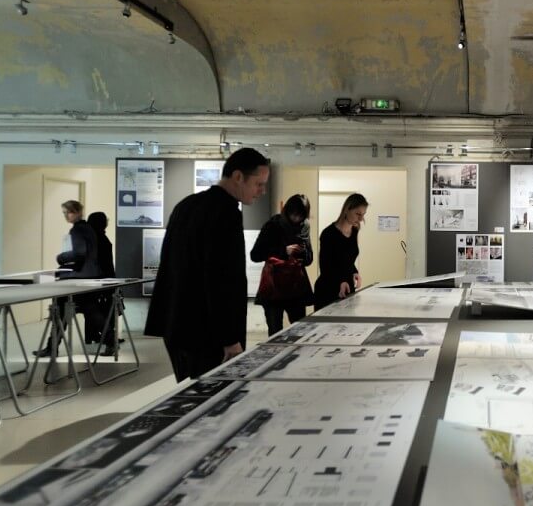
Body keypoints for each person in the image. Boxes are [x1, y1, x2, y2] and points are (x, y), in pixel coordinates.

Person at [145, 148, 270, 381]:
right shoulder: (226, 213)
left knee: (190, 396)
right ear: (238, 176)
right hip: (207, 332)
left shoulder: (187, 205)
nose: (262, 191)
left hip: (177, 326)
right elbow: (221, 278)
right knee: (212, 404)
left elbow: (170, 265)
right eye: (259, 184)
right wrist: (230, 338)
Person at [35, 200, 99, 358]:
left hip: (76, 277)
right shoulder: (88, 229)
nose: (66, 216)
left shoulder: (77, 231)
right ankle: (111, 341)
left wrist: (60, 257)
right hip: (89, 275)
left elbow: (79, 253)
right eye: (64, 213)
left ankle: (52, 348)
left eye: (68, 212)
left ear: (77, 212)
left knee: (60, 311)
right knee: (91, 310)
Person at [250, 194, 314, 334]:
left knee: (299, 332)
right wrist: (284, 251)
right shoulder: (272, 226)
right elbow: (255, 255)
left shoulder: (304, 227)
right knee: (275, 332)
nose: (297, 219)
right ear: (287, 212)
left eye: (301, 216)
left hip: (296, 286)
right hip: (274, 287)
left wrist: (304, 254)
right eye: (294, 215)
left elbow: (309, 260)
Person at [313, 193, 368, 311]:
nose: (361, 219)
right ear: (347, 210)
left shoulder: (354, 231)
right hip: (329, 288)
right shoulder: (328, 234)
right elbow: (325, 265)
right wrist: (340, 281)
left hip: (347, 287)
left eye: (363, 215)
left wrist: (354, 272)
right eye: (358, 214)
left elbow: (347, 259)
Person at [82, 211, 117, 354]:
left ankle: (107, 337)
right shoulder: (103, 239)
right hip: (100, 285)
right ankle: (107, 337)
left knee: (87, 307)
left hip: (91, 285)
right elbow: (108, 266)